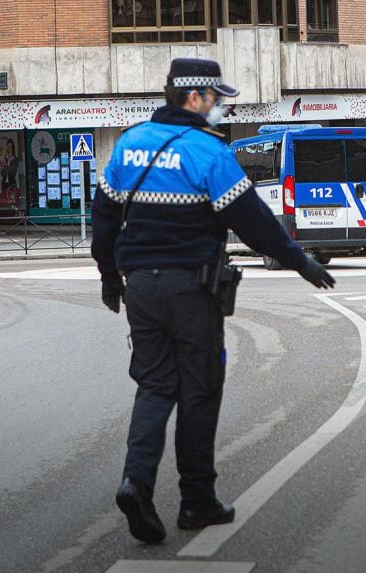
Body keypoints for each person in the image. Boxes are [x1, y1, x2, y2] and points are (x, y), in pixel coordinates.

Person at [91, 58, 336, 545]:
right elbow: (253, 221)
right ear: (196, 97)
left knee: (156, 386)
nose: (222, 106)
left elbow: (103, 216)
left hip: (140, 284)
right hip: (191, 288)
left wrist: (109, 275)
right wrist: (299, 261)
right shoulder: (209, 152)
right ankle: (196, 501)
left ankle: (134, 481)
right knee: (199, 390)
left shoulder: (130, 142)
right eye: (218, 98)